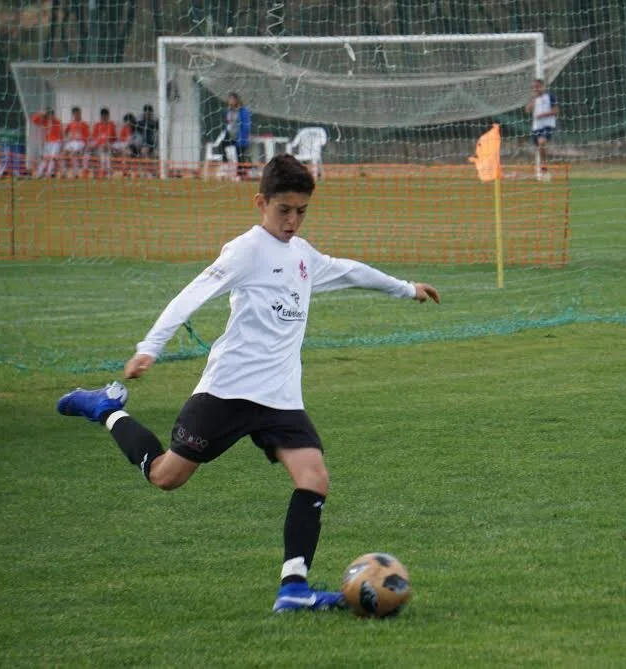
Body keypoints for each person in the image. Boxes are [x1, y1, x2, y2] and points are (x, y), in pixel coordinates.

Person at [55, 154, 441, 614]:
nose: (292, 221)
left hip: (280, 398)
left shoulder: (303, 255)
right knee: (165, 476)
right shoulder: (245, 251)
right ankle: (107, 409)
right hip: (228, 391)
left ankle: (293, 589)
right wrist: (149, 347)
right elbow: (190, 295)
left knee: (314, 478)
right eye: (284, 210)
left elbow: (350, 271)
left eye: (301, 212)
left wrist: (406, 288)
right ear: (261, 203)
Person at [524, 78, 558, 180]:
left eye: (537, 87)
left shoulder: (550, 97)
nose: (535, 89)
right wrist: (533, 100)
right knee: (537, 147)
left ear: (543, 87)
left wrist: (543, 115)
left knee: (541, 142)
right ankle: (541, 171)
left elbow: (556, 111)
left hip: (548, 124)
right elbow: (527, 110)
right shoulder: (534, 99)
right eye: (534, 87)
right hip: (536, 127)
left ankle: (544, 165)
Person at [220, 92, 252, 180]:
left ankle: (240, 175)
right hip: (230, 135)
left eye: (232, 99)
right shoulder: (228, 111)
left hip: (240, 137)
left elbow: (246, 125)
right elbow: (228, 123)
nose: (230, 101)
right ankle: (225, 168)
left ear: (237, 100)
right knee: (222, 145)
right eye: (229, 99)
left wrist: (243, 137)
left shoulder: (243, 111)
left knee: (240, 155)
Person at [31, 108, 63, 178]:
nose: (50, 116)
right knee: (45, 158)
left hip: (56, 142)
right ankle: (39, 173)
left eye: (51, 115)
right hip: (47, 142)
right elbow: (34, 120)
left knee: (52, 158)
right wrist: (41, 113)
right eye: (48, 115)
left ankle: (49, 173)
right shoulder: (44, 121)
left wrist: (61, 143)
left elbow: (61, 133)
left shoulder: (57, 122)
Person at [63, 106, 91, 178]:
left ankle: (76, 173)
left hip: (81, 142)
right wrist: (67, 138)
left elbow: (88, 137)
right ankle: (64, 172)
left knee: (73, 153)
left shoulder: (84, 124)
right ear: (73, 115)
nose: (78, 115)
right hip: (72, 142)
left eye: (79, 113)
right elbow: (65, 132)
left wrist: (87, 145)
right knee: (63, 154)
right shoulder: (71, 124)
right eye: (76, 114)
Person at [90, 108, 117, 179]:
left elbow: (114, 139)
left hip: (109, 147)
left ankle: (107, 173)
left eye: (106, 116)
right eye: (103, 116)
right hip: (98, 148)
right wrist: (98, 145)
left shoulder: (111, 125)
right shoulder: (97, 125)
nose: (104, 118)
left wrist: (108, 144)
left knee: (106, 153)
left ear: (108, 116)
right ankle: (103, 172)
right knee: (101, 152)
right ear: (101, 116)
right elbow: (94, 139)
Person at [136, 104, 159, 176]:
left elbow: (156, 136)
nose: (147, 115)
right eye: (146, 113)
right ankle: (145, 172)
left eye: (149, 113)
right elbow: (137, 136)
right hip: (142, 145)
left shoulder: (155, 123)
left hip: (152, 145)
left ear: (151, 114)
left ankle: (152, 172)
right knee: (143, 152)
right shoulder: (140, 123)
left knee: (154, 154)